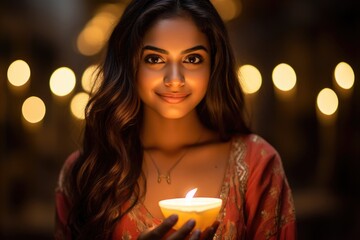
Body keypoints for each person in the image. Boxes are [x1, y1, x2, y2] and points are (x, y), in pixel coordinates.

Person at [55, 0, 297, 239]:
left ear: (213, 65)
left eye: (192, 59)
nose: (174, 79)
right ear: (129, 64)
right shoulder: (85, 172)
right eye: (154, 59)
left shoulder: (256, 164)